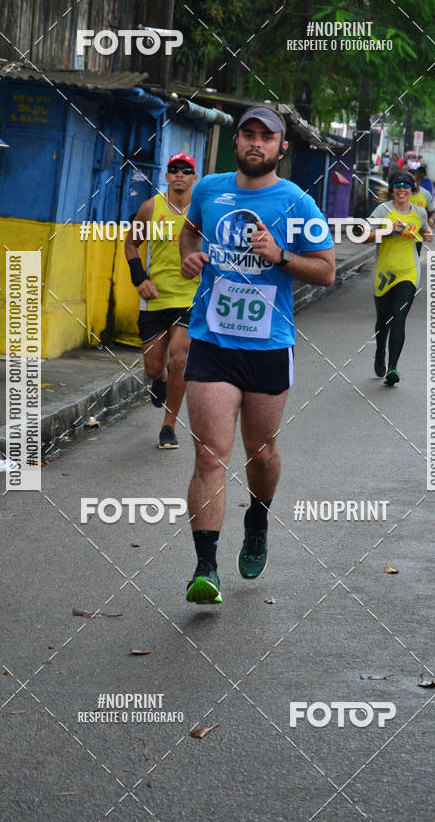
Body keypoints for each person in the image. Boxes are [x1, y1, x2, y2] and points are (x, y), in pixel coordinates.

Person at [179, 106, 335, 604]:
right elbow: (190, 230)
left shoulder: (297, 203)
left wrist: (280, 256)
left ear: (281, 148)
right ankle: (206, 567)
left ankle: (258, 519)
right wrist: (190, 256)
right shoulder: (208, 190)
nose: (255, 143)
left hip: (268, 346)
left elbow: (327, 270)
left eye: (266, 137)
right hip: (212, 342)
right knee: (209, 455)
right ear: (236, 143)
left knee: (261, 452)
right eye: (247, 134)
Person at [125, 151, 199, 448]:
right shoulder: (150, 208)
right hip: (154, 299)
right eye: (174, 169)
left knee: (179, 357)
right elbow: (131, 244)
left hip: (189, 296)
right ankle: (161, 379)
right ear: (167, 175)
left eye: (186, 170)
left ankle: (169, 425)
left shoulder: (202, 211)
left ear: (195, 177)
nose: (180, 173)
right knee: (154, 367)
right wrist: (140, 279)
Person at [367, 170, 434, 386]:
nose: (402, 189)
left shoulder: (420, 213)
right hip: (384, 273)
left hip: (409, 272)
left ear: (412, 189)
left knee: (399, 317)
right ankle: (380, 352)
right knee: (383, 320)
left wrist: (427, 234)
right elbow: (362, 235)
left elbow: (424, 230)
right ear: (392, 189)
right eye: (397, 185)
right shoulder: (382, 210)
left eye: (406, 185)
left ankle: (393, 368)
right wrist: (387, 230)